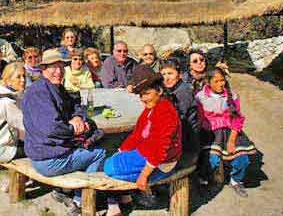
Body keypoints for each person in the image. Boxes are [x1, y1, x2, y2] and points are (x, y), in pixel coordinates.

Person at [22, 48, 108, 216]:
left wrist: (77, 117)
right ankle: (80, 201)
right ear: (43, 69)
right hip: (46, 159)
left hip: (50, 151)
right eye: (53, 67)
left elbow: (77, 104)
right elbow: (52, 128)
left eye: (61, 66)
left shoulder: (55, 87)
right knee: (100, 152)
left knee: (92, 142)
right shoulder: (39, 92)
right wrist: (76, 130)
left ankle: (69, 192)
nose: (58, 71)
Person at [103, 65, 182, 211]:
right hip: (147, 154)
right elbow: (137, 134)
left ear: (159, 90)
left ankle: (127, 195)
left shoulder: (166, 112)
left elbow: (161, 148)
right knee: (112, 160)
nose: (143, 98)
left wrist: (144, 176)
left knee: (108, 167)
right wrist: (121, 151)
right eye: (141, 95)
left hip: (161, 160)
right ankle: (125, 196)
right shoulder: (151, 110)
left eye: (146, 93)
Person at [196, 67, 256, 197]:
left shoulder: (232, 96)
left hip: (230, 131)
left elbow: (237, 119)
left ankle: (236, 181)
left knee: (242, 158)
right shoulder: (200, 97)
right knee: (211, 159)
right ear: (208, 82)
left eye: (222, 80)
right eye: (216, 81)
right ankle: (209, 181)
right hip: (210, 131)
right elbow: (199, 118)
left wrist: (232, 140)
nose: (220, 84)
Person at [160, 58, 200, 166]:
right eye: (163, 74)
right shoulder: (169, 89)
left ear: (179, 74)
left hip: (186, 145)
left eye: (170, 73)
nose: (166, 78)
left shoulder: (183, 91)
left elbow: (176, 118)